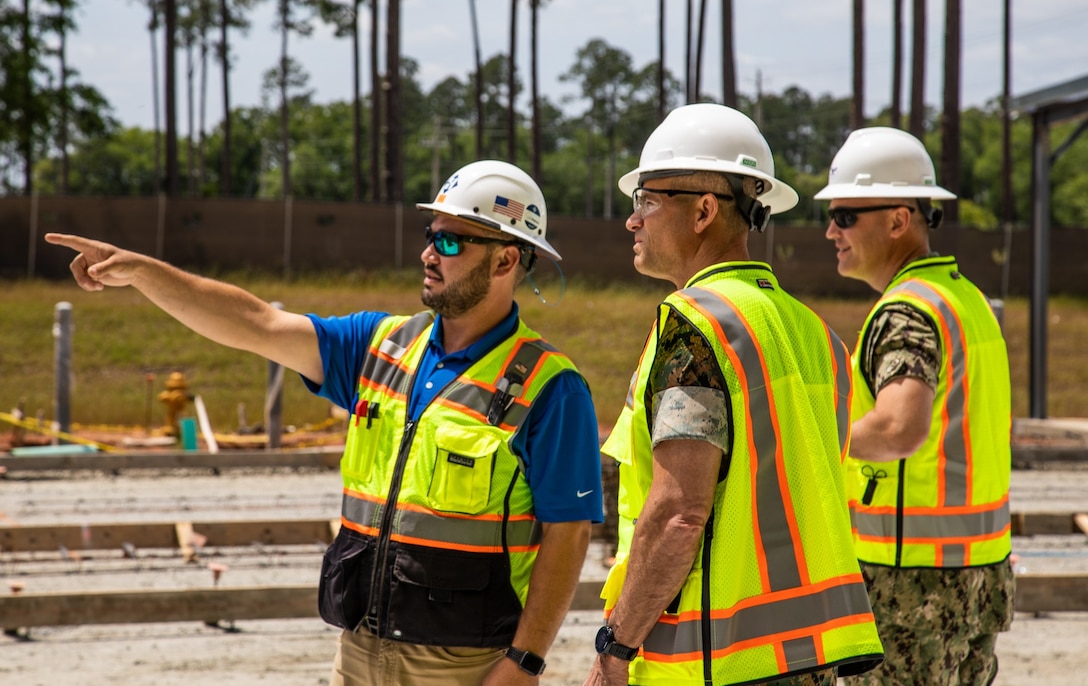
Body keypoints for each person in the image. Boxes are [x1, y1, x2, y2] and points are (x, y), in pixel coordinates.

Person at [46, 159, 604, 686]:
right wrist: (142, 272)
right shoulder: (379, 346)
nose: (429, 254)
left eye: (451, 241)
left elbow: (569, 532)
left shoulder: (550, 389)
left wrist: (524, 663)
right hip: (358, 648)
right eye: (430, 236)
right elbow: (256, 323)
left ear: (506, 260)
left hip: (463, 664)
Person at [583, 103, 883, 686]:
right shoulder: (814, 332)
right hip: (807, 656)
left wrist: (615, 646)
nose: (632, 221)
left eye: (647, 200)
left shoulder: (696, 327)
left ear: (703, 210)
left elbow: (678, 513)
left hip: (717, 660)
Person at [816, 127, 1014, 686]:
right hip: (980, 568)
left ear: (899, 220)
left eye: (846, 216)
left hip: (910, 579)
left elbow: (900, 427)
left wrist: (812, 439)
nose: (832, 231)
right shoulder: (965, 299)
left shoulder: (906, 311)